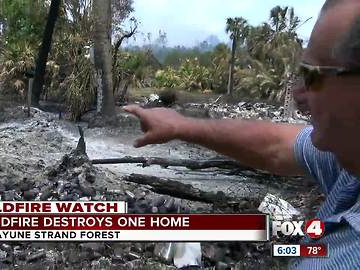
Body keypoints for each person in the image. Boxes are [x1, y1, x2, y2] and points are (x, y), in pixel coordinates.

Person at [124, 0, 360, 269]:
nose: (297, 95)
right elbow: (277, 145)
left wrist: (188, 265)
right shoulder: (350, 157)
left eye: (312, 76)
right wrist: (180, 125)